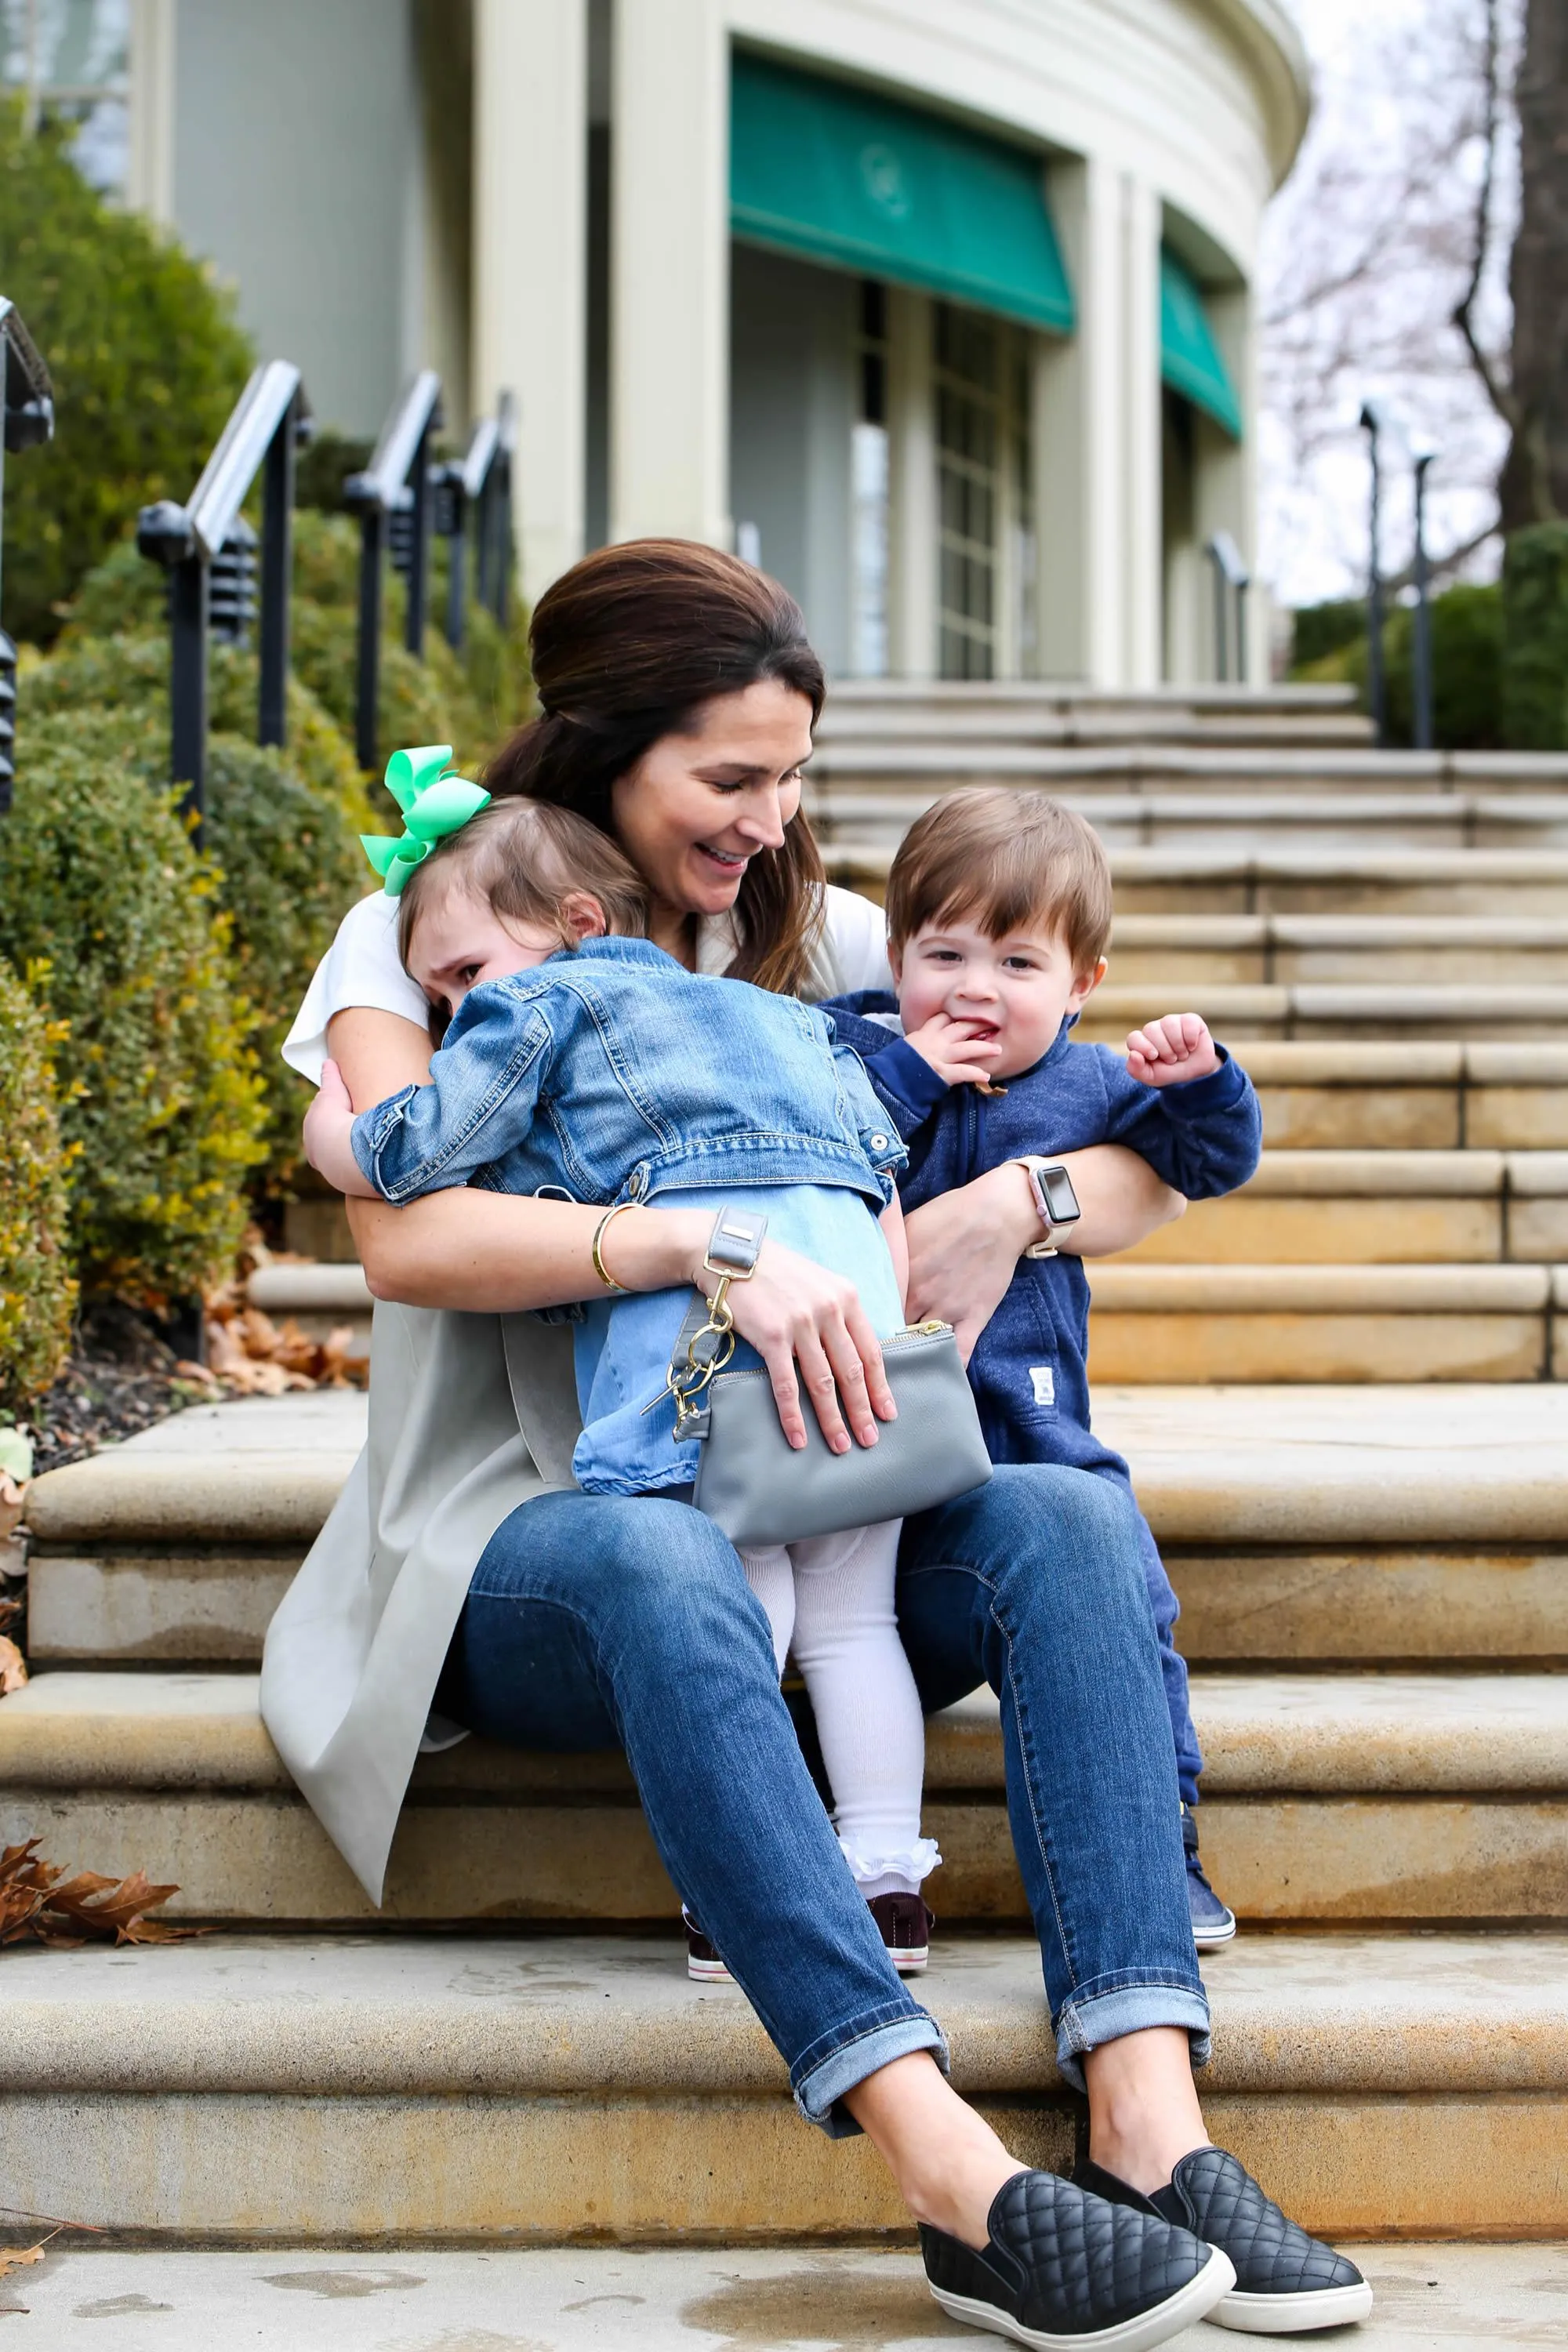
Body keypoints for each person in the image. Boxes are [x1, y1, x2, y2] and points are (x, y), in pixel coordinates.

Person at [263, 539, 1370, 2343]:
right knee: (659, 1552)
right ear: (606, 749)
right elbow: (406, 1224)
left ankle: (1148, 2126)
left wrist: (1011, 1203)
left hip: (812, 1491)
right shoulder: (435, 922)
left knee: (1062, 1527)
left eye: (793, 778)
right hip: (536, 1535)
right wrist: (709, 1249)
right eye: (730, 779)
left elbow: (1137, 1155)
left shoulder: (835, 940)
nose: (773, 821)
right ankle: (946, 2175)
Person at [303, 781, 945, 1972]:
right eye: (437, 992)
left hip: (707, 1391)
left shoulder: (541, 1008)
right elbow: (883, 1184)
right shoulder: (784, 1021)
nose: (451, 1010)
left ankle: (749, 1883)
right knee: (860, 1627)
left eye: (461, 974)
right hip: (863, 1372)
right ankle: (889, 1879)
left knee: (740, 1607)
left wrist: (334, 1134)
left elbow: (417, 1153)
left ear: (583, 927)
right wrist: (885, 1329)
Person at [824, 786, 1263, 1951]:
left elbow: (1210, 1164)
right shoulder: (863, 1050)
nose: (975, 989)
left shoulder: (1093, 1085)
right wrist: (911, 1067)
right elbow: (826, 1135)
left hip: (1026, 1425)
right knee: (824, 1611)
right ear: (898, 952)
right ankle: (836, 1840)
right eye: (945, 952)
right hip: (858, 1431)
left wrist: (1204, 1079)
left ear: (1082, 988)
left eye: (1019, 963)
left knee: (1120, 1582)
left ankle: (1154, 1840)